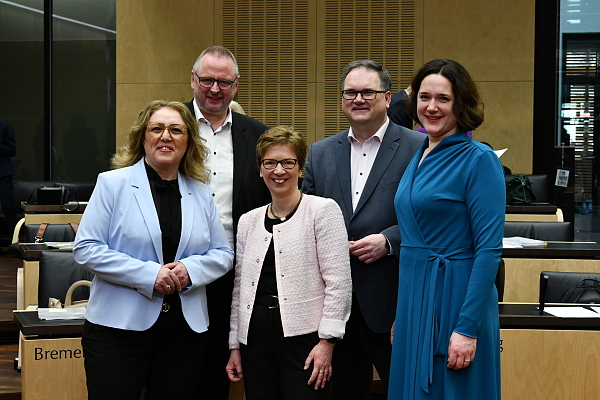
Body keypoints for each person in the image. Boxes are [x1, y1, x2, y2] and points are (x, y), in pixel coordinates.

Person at [73, 100, 234, 399]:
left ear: (188, 140)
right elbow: (86, 248)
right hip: (118, 330)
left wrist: (190, 270)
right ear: (143, 137)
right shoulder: (112, 184)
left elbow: (223, 254)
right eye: (156, 128)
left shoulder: (200, 191)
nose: (166, 136)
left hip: (184, 333)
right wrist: (149, 274)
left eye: (176, 130)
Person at [301, 60, 425, 400]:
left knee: (406, 392)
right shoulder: (320, 153)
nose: (358, 99)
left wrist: (389, 240)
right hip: (333, 310)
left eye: (367, 92)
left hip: (393, 302)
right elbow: (305, 220)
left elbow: (431, 216)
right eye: (350, 92)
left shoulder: (418, 148)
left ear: (387, 98)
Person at [390, 59, 504, 399]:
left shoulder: (479, 159)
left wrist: (467, 328)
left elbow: (488, 251)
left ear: (460, 103)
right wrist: (403, 313)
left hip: (458, 301)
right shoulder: (419, 154)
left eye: (443, 98)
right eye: (425, 97)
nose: (431, 107)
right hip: (415, 303)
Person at [226, 126, 352, 399]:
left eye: (287, 162)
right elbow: (240, 288)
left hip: (306, 341)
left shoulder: (323, 210)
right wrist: (235, 344)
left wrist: (327, 342)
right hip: (255, 342)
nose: (278, 171)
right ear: (260, 169)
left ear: (301, 167)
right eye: (269, 163)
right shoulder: (248, 221)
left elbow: (339, 282)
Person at [183, 45, 270, 399]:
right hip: (175, 269)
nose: (214, 89)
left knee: (217, 371)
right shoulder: (171, 125)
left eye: (223, 82)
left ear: (236, 86)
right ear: (193, 80)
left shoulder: (258, 135)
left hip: (232, 272)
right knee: (172, 370)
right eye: (207, 80)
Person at [0, 120, 16, 236]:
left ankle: (14, 242)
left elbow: (12, 150)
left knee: (8, 208)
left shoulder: (5, 127)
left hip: (3, 174)